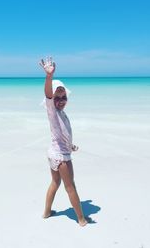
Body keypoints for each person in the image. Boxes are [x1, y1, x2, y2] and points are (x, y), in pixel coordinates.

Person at [39, 57, 88, 227]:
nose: (60, 101)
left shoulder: (62, 114)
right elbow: (48, 95)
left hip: (55, 152)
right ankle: (81, 219)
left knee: (55, 182)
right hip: (60, 157)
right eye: (57, 98)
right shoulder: (52, 110)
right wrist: (49, 77)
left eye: (63, 97)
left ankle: (46, 212)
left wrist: (70, 145)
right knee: (70, 186)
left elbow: (63, 134)